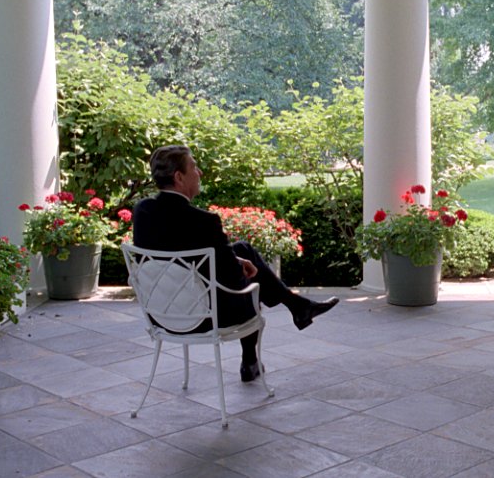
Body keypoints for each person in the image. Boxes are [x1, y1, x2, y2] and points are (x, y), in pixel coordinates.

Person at [132, 145, 339, 382]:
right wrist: (246, 268)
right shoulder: (204, 221)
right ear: (179, 177)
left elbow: (174, 253)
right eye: (194, 167)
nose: (199, 173)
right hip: (204, 316)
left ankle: (298, 307)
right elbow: (232, 278)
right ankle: (258, 352)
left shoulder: (142, 210)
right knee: (252, 285)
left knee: (241, 250)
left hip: (162, 313)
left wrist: (237, 260)